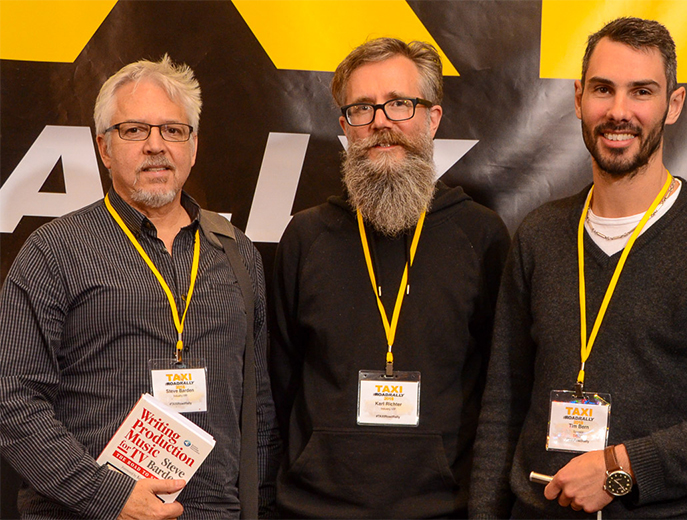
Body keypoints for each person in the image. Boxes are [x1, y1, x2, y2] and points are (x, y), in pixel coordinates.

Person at [469, 17, 687, 518]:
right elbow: (503, 402)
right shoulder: (538, 234)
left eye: (641, 91)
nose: (619, 112)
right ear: (579, 97)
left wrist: (621, 468)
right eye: (603, 90)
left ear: (674, 105)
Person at [0, 55, 279, 519]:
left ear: (193, 146)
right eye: (134, 130)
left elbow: (259, 406)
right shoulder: (53, 251)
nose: (156, 146)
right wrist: (111, 497)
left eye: (173, 130)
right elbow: (12, 399)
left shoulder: (237, 253)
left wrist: (262, 507)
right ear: (104, 148)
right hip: (86, 512)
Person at [268, 37, 510, 518]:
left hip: (443, 509)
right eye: (362, 108)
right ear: (345, 127)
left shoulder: (480, 236)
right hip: (315, 509)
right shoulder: (305, 236)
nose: (381, 122)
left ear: (433, 118)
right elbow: (278, 385)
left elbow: (498, 394)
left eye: (400, 104)